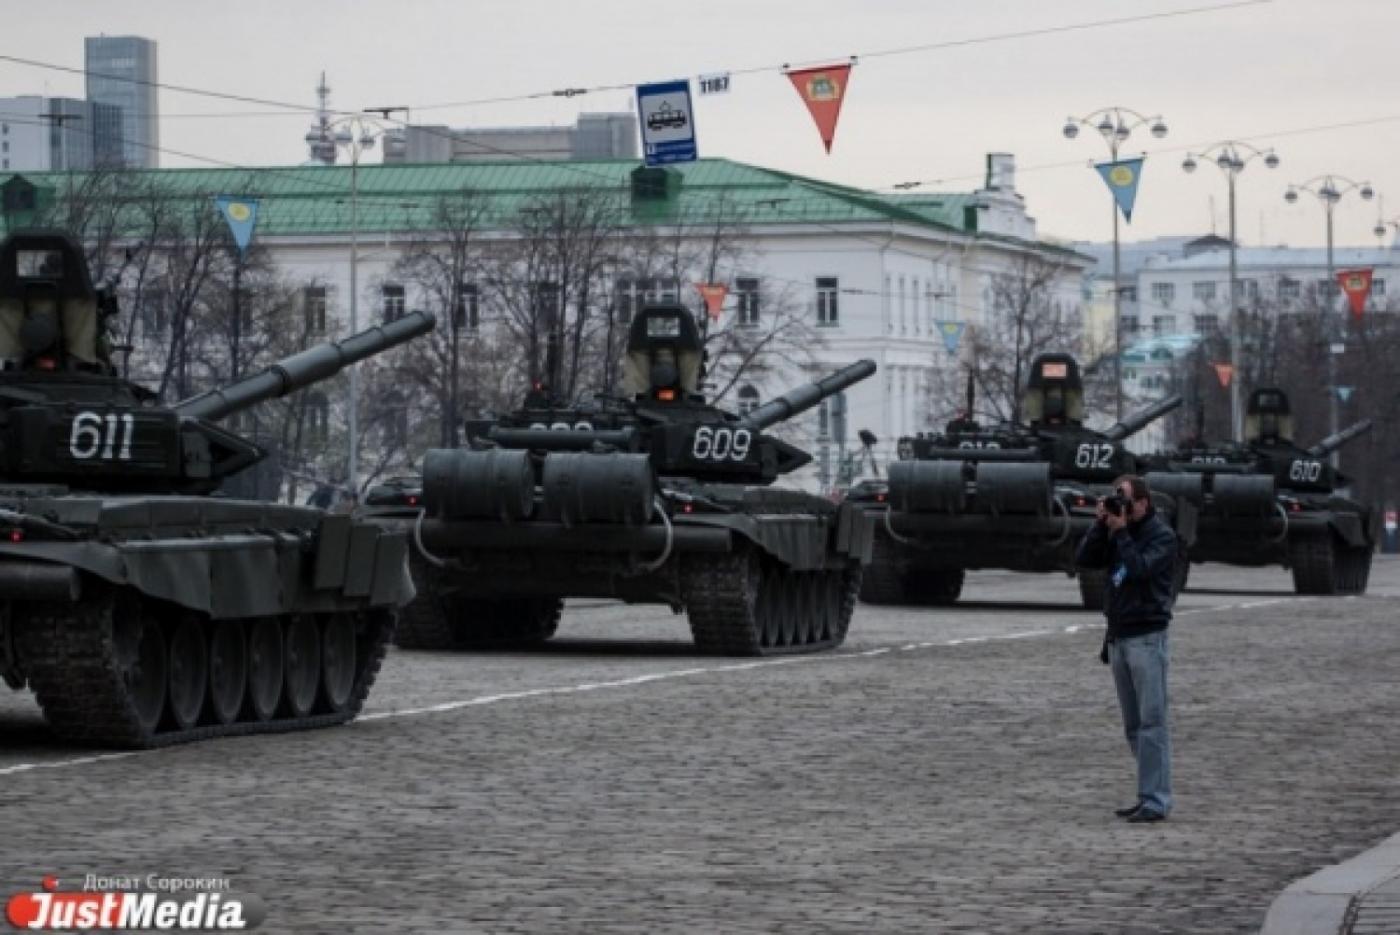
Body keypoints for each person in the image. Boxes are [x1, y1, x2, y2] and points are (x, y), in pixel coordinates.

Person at [1076, 474, 1178, 823]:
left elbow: (1139, 570)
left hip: (1147, 638)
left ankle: (1156, 799)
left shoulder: (1161, 536)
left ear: (1143, 504)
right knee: (1134, 725)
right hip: (1119, 636)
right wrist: (1100, 524)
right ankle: (1148, 792)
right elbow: (1085, 558)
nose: (1121, 506)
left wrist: (1120, 532)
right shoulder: (1118, 531)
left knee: (1152, 722)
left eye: (1126, 501)